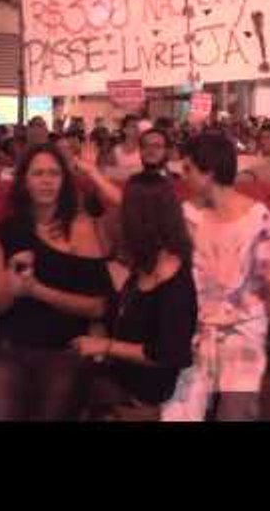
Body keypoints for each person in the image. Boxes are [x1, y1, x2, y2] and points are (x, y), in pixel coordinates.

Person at [162, 133, 270, 421]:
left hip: (243, 330)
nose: (183, 177)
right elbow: (145, 219)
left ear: (208, 172)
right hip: (195, 330)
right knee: (178, 414)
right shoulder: (187, 214)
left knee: (235, 413)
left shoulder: (256, 215)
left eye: (188, 169)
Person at [0, 143, 117, 420]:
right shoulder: (9, 229)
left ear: (65, 181)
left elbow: (98, 307)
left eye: (54, 173)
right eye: (38, 173)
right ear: (24, 181)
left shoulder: (82, 228)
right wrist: (11, 280)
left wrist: (37, 291)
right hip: (14, 346)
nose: (46, 181)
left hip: (65, 349)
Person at [71, 174, 198, 420]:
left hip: (142, 393)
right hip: (122, 376)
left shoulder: (173, 281)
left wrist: (104, 346)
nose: (120, 217)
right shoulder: (147, 261)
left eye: (126, 210)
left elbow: (168, 354)